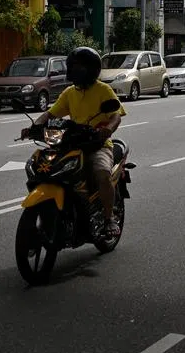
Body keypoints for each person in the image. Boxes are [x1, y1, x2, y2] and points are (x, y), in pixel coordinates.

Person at [27, 46, 125, 238]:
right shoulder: (69, 92)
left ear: (90, 70)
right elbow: (50, 113)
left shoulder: (103, 90)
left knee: (102, 173)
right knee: (42, 167)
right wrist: (35, 127)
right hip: (71, 144)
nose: (73, 71)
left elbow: (116, 116)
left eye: (78, 67)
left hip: (97, 145)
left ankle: (108, 218)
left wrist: (107, 130)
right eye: (72, 67)